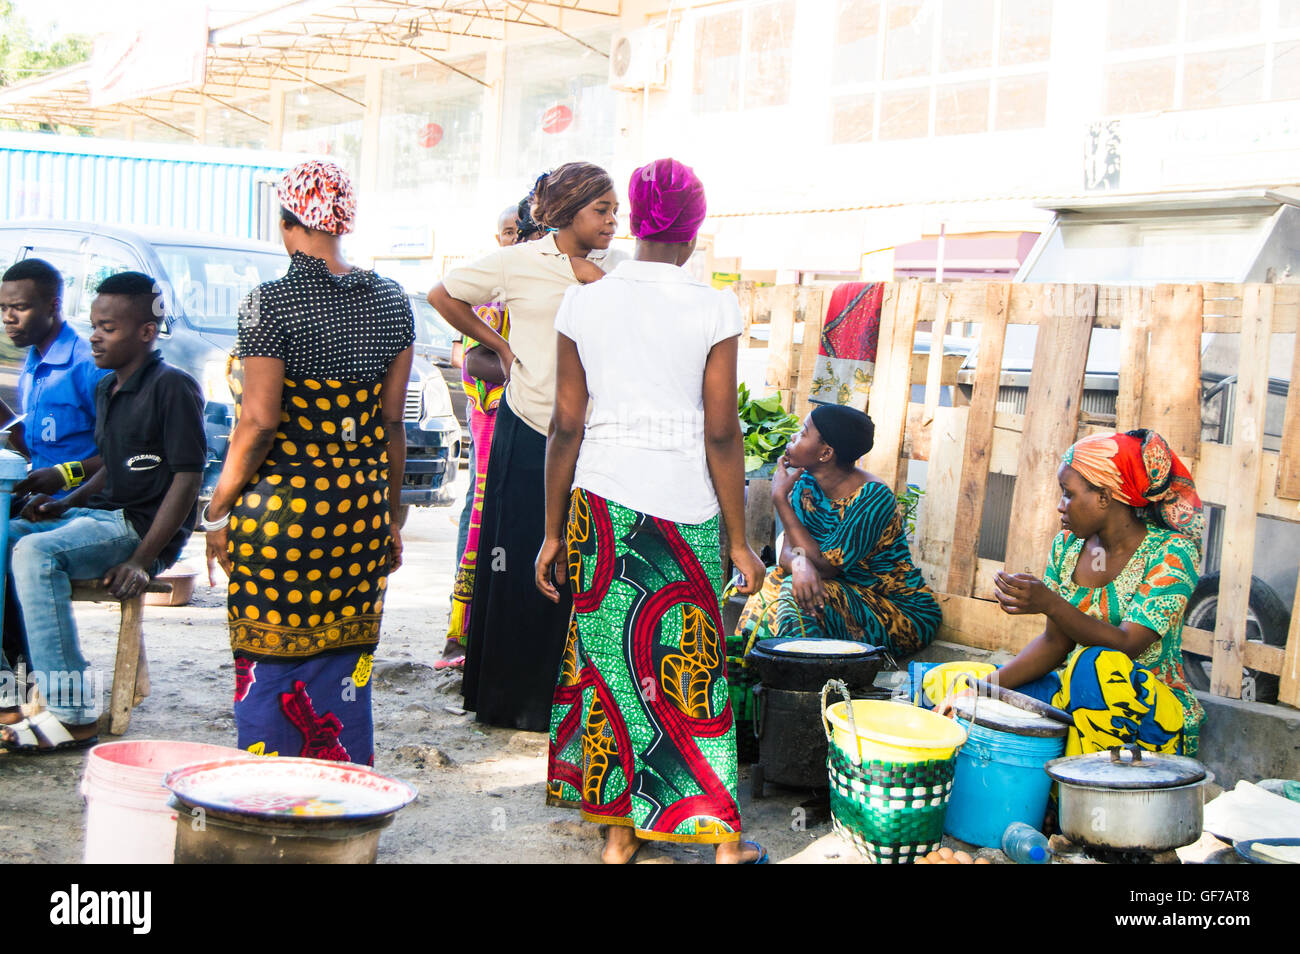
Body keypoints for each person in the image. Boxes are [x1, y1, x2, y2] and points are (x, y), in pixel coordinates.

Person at [535, 158, 767, 863]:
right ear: (694, 227)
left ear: (633, 219)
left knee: (610, 667)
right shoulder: (713, 305)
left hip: (601, 502)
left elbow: (566, 426)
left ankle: (618, 837)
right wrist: (740, 539)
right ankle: (722, 841)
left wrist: (551, 532)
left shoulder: (586, 301)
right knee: (690, 666)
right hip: (685, 504)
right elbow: (721, 431)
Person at [203, 160, 414, 767]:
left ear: (287, 221)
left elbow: (259, 422)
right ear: (343, 219)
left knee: (270, 666)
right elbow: (391, 425)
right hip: (358, 513)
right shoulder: (390, 302)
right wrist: (391, 517)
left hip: (281, 518)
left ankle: (271, 803)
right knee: (345, 666)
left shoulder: (269, 304)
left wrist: (217, 512)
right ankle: (340, 801)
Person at [428, 161, 616, 732]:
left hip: (594, 438)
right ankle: (514, 701)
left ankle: (572, 699)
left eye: (615, 212)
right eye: (601, 211)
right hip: (529, 427)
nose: (613, 222)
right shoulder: (518, 261)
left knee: (580, 568)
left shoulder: (620, 270)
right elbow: (443, 294)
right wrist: (500, 346)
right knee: (516, 564)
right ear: (567, 212)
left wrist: (592, 275)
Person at [0, 271, 205, 752]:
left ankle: (71, 714)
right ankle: (8, 682)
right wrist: (63, 502)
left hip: (136, 528)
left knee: (34, 554)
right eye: (93, 325)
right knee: (6, 534)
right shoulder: (108, 389)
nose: (94, 335)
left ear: (146, 332)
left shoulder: (173, 387)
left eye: (108, 328)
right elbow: (110, 469)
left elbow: (187, 479)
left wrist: (141, 558)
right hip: (96, 516)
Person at [987, 429, 1206, 756]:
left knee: (1096, 665)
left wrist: (1050, 604)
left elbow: (1126, 645)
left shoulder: (1172, 554)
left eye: (1068, 494)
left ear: (1104, 497)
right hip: (1082, 700)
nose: (1060, 506)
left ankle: (1076, 792)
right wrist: (983, 688)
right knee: (950, 684)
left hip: (1151, 718)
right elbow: (1054, 643)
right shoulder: (1068, 545)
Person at [736, 405, 940, 656]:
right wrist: (801, 565)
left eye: (802, 432)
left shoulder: (872, 497)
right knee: (770, 581)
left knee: (795, 592)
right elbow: (787, 553)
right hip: (835, 592)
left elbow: (826, 567)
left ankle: (802, 678)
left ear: (825, 453)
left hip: (897, 610)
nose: (793, 437)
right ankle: (745, 668)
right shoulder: (806, 483)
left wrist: (780, 498)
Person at [0, 258, 111, 678]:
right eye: (4, 308)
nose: (10, 317)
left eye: (21, 307)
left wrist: (65, 476)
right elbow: (33, 442)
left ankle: (21, 674)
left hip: (82, 505)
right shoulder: (32, 360)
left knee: (5, 545)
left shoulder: (87, 363)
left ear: (53, 305)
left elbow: (117, 453)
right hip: (39, 500)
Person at [440, 205, 520, 670]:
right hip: (491, 421)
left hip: (521, 423)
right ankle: (461, 632)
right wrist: (524, 370)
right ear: (498, 238)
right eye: (509, 233)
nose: (516, 240)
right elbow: (474, 363)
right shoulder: (487, 294)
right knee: (478, 514)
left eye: (522, 233)